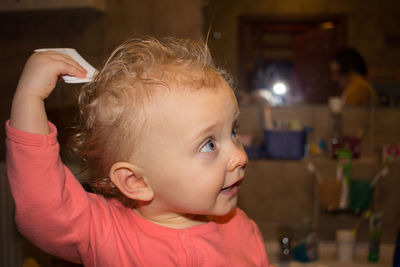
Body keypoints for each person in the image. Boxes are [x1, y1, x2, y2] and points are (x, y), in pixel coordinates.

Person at [6, 37, 272, 266]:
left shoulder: (242, 231)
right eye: (209, 145)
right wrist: (29, 98)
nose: (241, 157)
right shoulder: (105, 234)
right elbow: (44, 205)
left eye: (233, 132)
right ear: (136, 181)